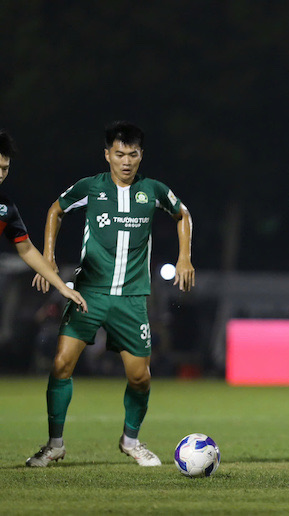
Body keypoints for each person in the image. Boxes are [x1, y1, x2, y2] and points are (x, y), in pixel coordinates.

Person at [26, 121, 195, 467]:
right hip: (88, 293)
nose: (126, 161)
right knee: (61, 363)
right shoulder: (92, 187)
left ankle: (130, 440)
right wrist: (48, 257)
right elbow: (56, 210)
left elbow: (183, 214)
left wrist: (184, 257)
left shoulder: (152, 190)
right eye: (119, 154)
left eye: (132, 154)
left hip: (131, 299)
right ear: (107, 155)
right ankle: (55, 444)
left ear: (141, 155)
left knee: (140, 377)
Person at [0, 130, 88, 310]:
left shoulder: (5, 208)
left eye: (5, 168)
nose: (1, 174)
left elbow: (26, 249)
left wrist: (62, 287)